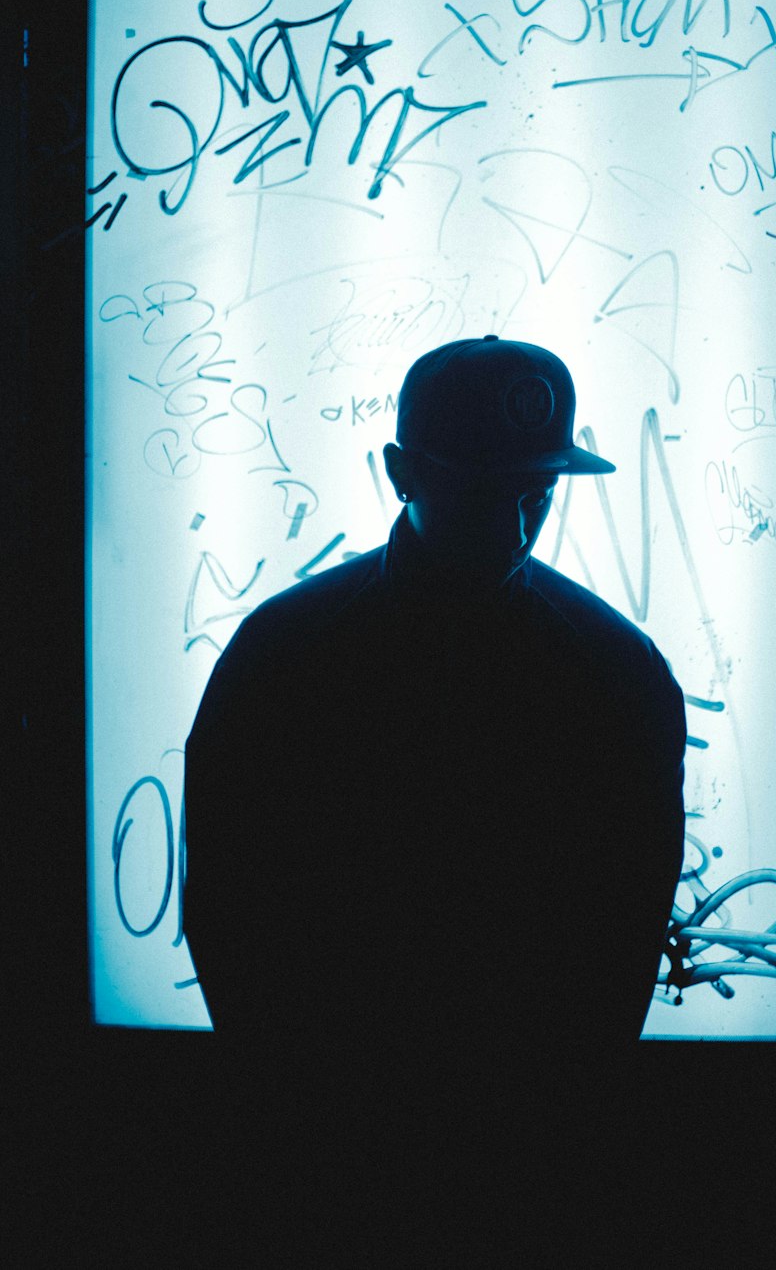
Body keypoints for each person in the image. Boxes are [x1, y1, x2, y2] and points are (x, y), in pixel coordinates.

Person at [182, 335, 686, 1256]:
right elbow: (223, 904)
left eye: (536, 489)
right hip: (410, 1147)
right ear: (401, 473)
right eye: (483, 488)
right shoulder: (615, 666)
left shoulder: (286, 650)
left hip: (378, 1149)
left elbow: (225, 903)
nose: (517, 517)